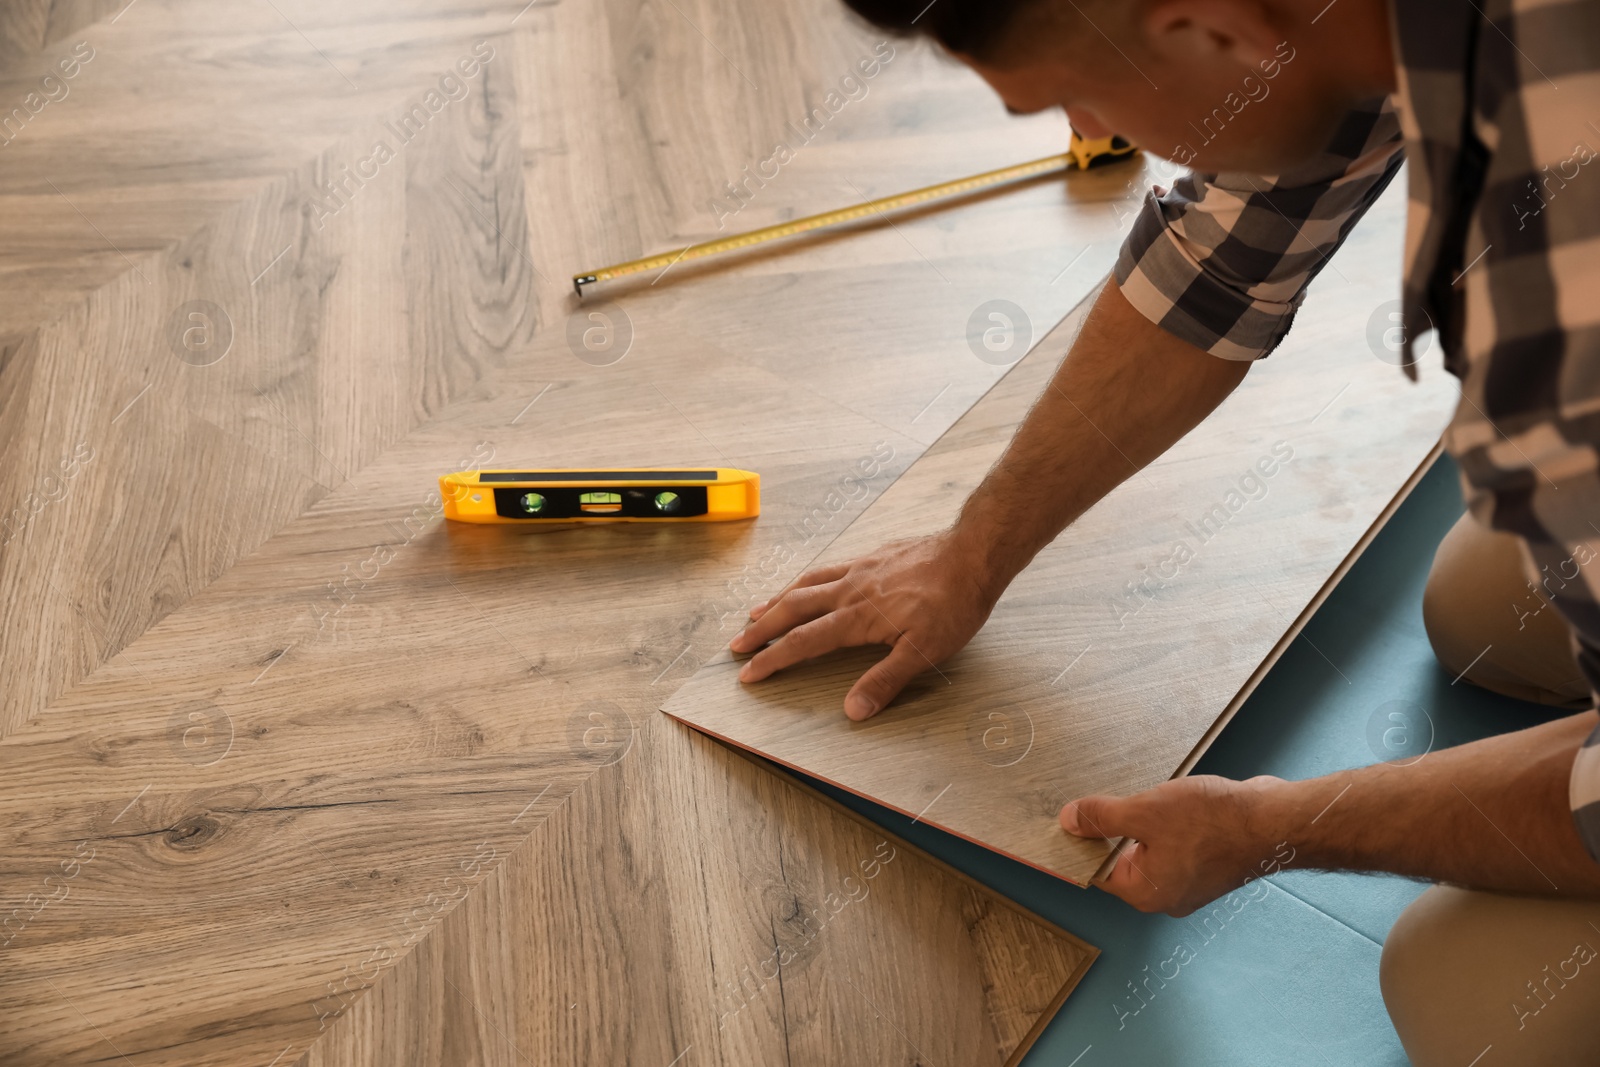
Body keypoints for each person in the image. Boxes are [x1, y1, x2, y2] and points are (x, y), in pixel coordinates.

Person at [726, 0, 1600, 1061]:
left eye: (1078, 99)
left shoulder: (1559, 311)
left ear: (1209, 30)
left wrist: (1272, 825)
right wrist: (974, 547)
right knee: (1488, 608)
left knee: (1472, 995)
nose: (1093, 128)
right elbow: (1217, 262)